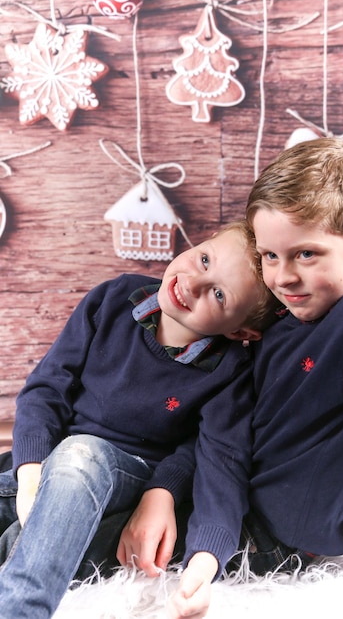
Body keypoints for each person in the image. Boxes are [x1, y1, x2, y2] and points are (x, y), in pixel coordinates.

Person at [167, 138, 343, 619]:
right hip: (220, 490)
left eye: (306, 254)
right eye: (270, 256)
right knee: (94, 469)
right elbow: (227, 422)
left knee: (88, 516)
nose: (282, 277)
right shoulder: (283, 315)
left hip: (268, 534)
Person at [0, 219, 278, 619]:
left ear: (240, 332)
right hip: (49, 470)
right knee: (32, 488)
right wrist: (29, 473)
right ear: (204, 241)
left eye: (218, 293)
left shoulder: (229, 371)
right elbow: (47, 388)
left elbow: (220, 463)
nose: (193, 285)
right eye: (203, 259)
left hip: (121, 472)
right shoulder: (113, 299)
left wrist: (203, 563)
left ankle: (20, 609)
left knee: (82, 455)